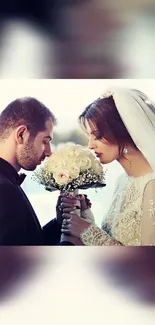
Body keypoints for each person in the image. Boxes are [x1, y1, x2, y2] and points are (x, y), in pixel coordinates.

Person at [61, 87, 155, 246]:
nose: (90, 145)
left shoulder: (152, 186)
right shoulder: (122, 181)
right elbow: (115, 238)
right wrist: (85, 216)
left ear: (121, 130)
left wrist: (88, 231)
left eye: (97, 136)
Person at [0, 96, 78, 245]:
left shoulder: (7, 182)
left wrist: (58, 222)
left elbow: (25, 243)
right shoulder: (4, 190)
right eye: (45, 141)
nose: (49, 152)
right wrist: (71, 242)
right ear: (21, 134)